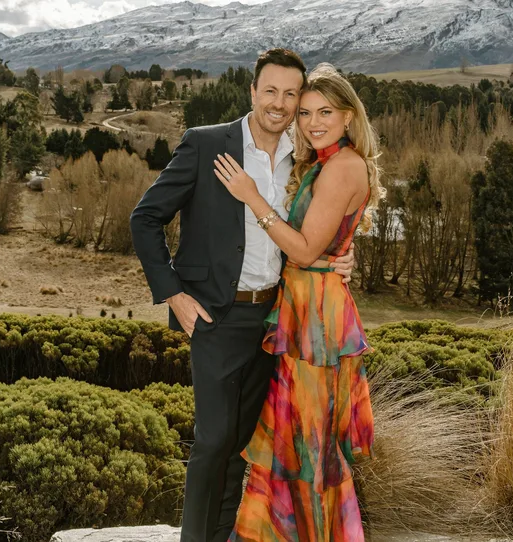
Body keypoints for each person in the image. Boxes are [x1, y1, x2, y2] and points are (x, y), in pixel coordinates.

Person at [130, 49, 355, 542]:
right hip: (216, 315)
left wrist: (340, 257)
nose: (279, 103)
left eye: (290, 95)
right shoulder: (207, 144)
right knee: (213, 441)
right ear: (252, 92)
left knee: (242, 445)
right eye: (269, 90)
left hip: (277, 318)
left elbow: (311, 233)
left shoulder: (304, 158)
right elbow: (144, 219)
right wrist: (173, 294)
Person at [213, 63, 384, 541]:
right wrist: (342, 254)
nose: (312, 122)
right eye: (305, 112)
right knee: (295, 439)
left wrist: (253, 198)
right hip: (305, 305)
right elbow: (324, 240)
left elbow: (306, 251)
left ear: (348, 115)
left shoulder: (344, 166)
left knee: (309, 444)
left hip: (318, 320)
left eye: (325, 112)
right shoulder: (324, 163)